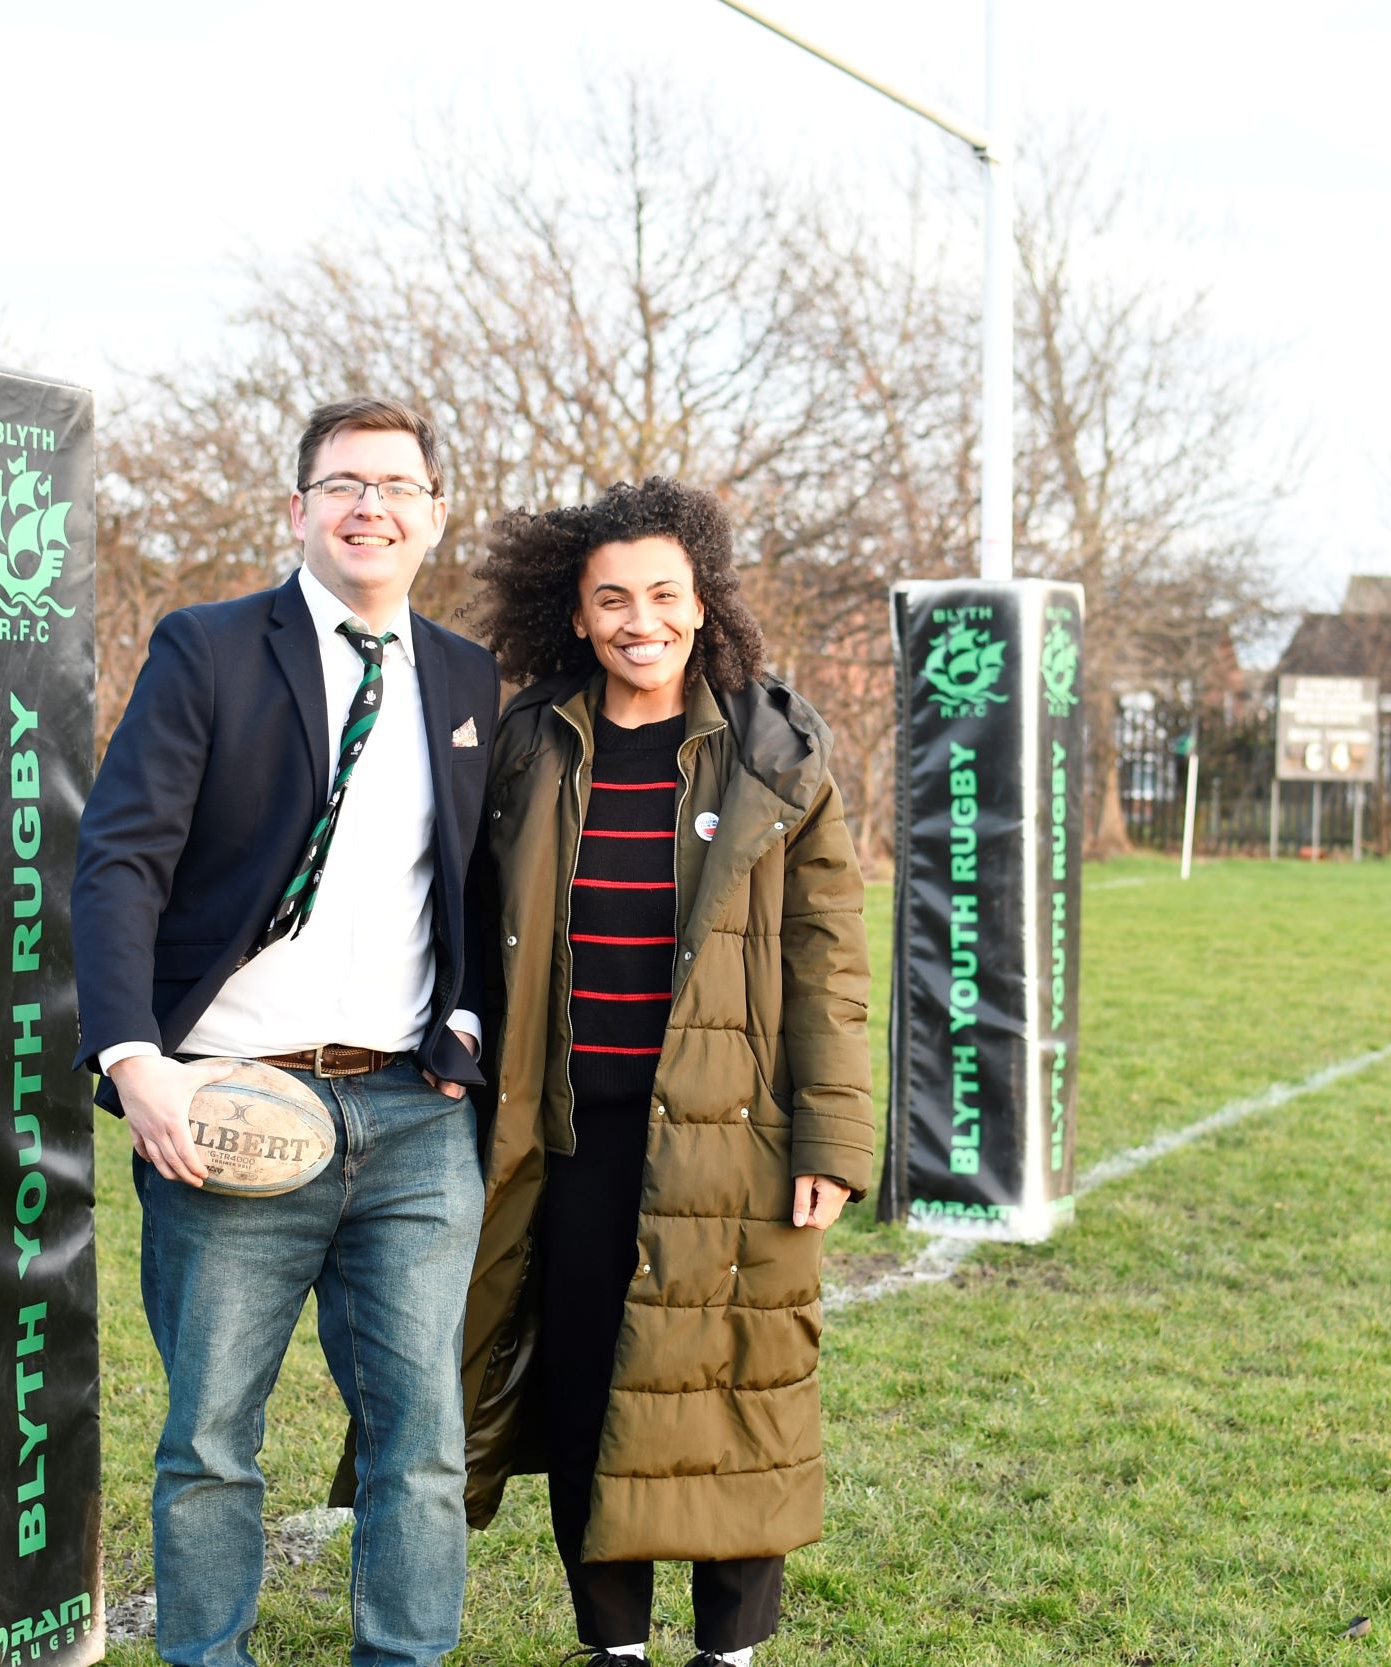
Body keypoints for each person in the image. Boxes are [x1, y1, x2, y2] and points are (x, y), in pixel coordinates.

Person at [71, 397, 501, 1667]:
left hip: (416, 1118)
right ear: (298, 509)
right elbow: (118, 861)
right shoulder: (206, 649)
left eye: (398, 485)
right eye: (344, 483)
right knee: (211, 1438)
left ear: (433, 514)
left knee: (420, 1437)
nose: (372, 504)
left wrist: (464, 1031)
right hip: (231, 1107)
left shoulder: (468, 674)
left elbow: (479, 880)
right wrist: (136, 1057)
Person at [455, 476, 874, 1667]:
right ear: (576, 615)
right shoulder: (529, 743)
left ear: (703, 603)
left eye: (662, 593)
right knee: (589, 1384)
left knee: (743, 1390)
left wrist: (834, 1142)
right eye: (611, 599)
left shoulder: (776, 750)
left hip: (739, 1129)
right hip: (575, 1133)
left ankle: (728, 1650)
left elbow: (830, 959)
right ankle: (614, 1647)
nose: (640, 617)